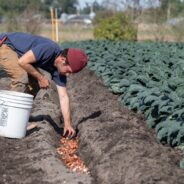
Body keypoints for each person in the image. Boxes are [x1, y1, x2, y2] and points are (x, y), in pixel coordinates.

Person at [0, 32, 89, 138]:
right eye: (68, 71)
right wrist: (41, 78)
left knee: (34, 84)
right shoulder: (49, 50)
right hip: (6, 45)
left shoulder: (59, 72)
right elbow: (23, 62)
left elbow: (63, 97)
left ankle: (20, 116)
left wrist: (67, 123)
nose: (68, 74)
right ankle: (9, 120)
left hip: (20, 55)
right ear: (62, 60)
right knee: (21, 78)